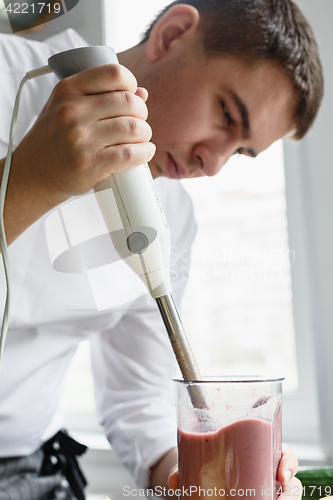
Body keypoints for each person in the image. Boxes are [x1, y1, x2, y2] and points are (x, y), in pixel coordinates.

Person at [0, 0, 323, 498]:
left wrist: (196, 474)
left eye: (240, 150)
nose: (212, 164)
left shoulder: (175, 220)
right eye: (225, 114)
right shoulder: (8, 79)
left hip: (31, 472)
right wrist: (31, 178)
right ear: (172, 35)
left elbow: (138, 402)